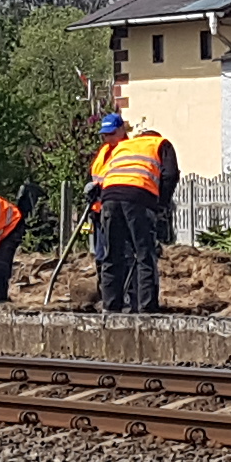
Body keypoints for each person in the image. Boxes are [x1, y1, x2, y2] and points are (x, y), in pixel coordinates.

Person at [84, 109, 178, 313]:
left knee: (112, 254)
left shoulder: (123, 147)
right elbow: (170, 175)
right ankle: (146, 308)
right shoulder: (161, 144)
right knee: (144, 253)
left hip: (109, 198)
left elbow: (108, 174)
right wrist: (161, 205)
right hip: (138, 198)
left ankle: (111, 307)